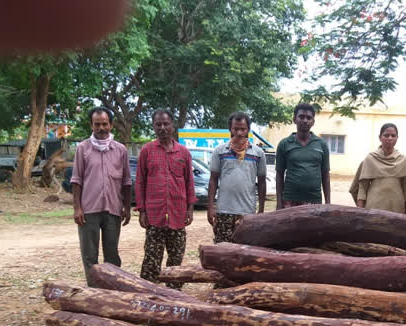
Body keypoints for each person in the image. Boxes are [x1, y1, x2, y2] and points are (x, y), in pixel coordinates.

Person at [135, 109, 196, 288]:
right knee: (151, 259)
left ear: (172, 126)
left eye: (166, 124)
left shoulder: (183, 153)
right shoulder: (147, 151)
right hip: (154, 215)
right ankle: (147, 296)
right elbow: (140, 182)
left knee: (176, 258)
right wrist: (142, 211)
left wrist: (190, 209)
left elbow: (189, 182)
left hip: (178, 214)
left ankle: (173, 295)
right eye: (158, 124)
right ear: (154, 127)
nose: (162, 128)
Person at [71, 107, 131, 285]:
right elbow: (76, 180)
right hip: (89, 210)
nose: (101, 128)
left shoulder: (120, 150)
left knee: (112, 254)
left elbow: (126, 181)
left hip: (113, 209)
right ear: (91, 125)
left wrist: (126, 208)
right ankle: (94, 292)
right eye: (97, 124)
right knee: (90, 255)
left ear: (111, 125)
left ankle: (113, 291)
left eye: (104, 124)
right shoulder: (83, 148)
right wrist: (77, 208)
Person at [207, 112, 267, 242]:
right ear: (230, 129)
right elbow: (213, 180)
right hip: (223, 211)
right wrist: (211, 207)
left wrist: (261, 209)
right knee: (221, 251)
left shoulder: (258, 153)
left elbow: (262, 182)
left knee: (245, 251)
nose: (239, 133)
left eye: (243, 129)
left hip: (247, 212)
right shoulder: (220, 151)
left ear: (248, 130)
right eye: (236, 129)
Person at [349, 123, 406, 213]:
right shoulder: (370, 159)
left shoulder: (403, 160)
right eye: (386, 135)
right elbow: (362, 188)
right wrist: (361, 212)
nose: (390, 138)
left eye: (393, 135)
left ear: (397, 138)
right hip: (373, 207)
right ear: (380, 137)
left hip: (397, 208)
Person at [275, 103, 331, 209]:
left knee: (312, 226)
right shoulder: (284, 144)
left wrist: (328, 203)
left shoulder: (321, 144)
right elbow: (279, 175)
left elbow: (326, 175)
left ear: (313, 122)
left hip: (314, 201)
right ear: (294, 119)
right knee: (289, 226)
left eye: (309, 118)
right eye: (301, 117)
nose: (305, 120)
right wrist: (279, 203)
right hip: (289, 200)